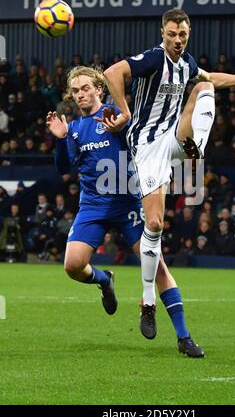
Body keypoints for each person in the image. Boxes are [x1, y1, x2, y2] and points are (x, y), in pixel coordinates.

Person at [103, 8, 235, 336]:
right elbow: (113, 72)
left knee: (203, 88)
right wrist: (124, 110)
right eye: (171, 33)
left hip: (174, 140)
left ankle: (195, 146)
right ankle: (147, 303)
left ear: (188, 34)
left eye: (182, 34)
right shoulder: (153, 59)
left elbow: (213, 77)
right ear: (163, 33)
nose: (176, 39)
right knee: (155, 224)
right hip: (145, 146)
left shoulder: (186, 64)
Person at [46, 66, 204, 358]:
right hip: (93, 206)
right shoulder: (75, 129)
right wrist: (59, 138)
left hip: (128, 204)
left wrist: (123, 127)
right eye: (76, 90)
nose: (81, 94)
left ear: (99, 89)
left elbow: (144, 142)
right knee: (72, 266)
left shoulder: (118, 115)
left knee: (158, 268)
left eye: (86, 88)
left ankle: (184, 337)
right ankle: (105, 281)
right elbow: (62, 169)